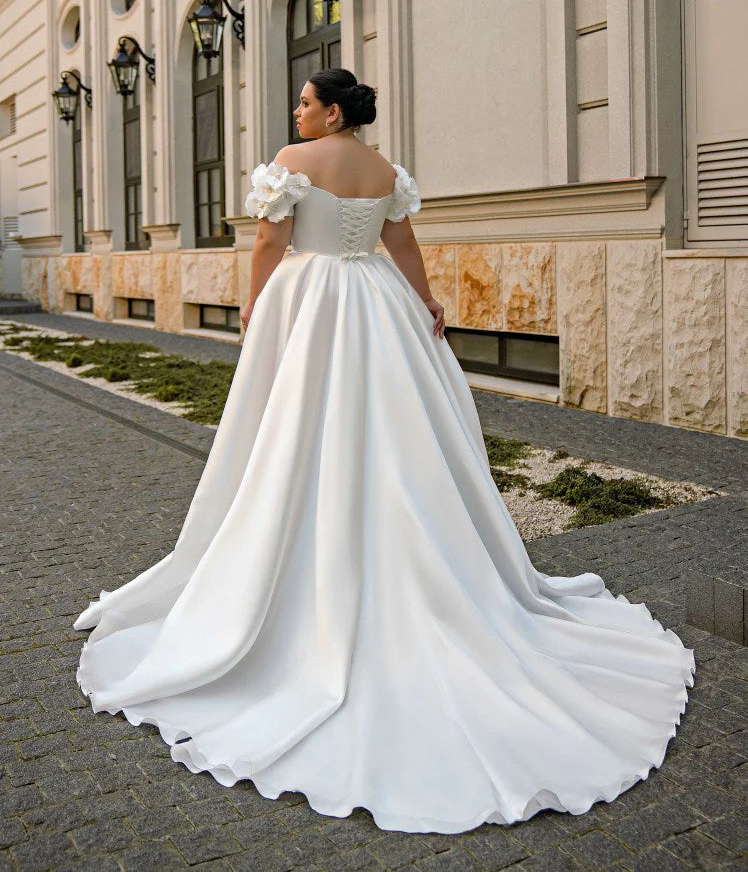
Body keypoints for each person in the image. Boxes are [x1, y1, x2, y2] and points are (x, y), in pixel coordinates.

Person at [74, 68, 695, 835]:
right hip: (376, 302)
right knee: (398, 430)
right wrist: (428, 302)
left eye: (306, 101)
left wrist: (254, 306)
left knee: (300, 428)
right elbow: (403, 243)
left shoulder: (292, 162)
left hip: (311, 300)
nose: (296, 111)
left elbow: (270, 240)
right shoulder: (384, 171)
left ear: (332, 110)